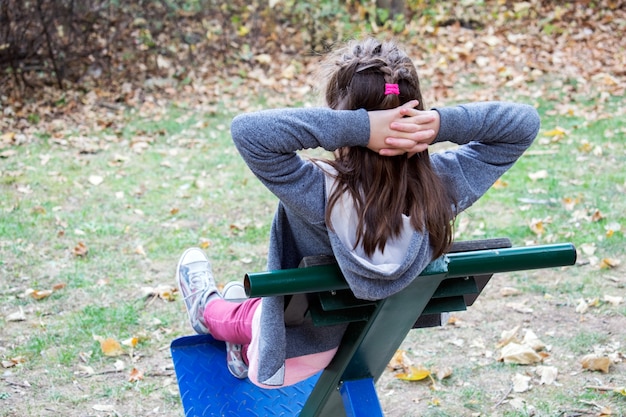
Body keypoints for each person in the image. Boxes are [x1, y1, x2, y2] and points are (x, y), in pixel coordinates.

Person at [176, 38, 540, 388]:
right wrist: (439, 124)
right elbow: (523, 123)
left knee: (253, 315)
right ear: (415, 112)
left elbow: (249, 132)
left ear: (338, 116)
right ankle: (235, 325)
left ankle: (207, 311)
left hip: (301, 349)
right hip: (365, 341)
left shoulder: (319, 193)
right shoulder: (441, 188)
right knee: (273, 305)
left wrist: (362, 128)